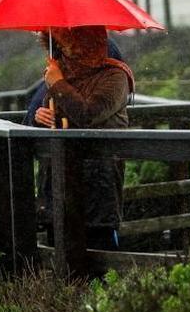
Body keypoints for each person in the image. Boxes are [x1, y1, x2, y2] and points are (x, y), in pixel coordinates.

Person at [31, 26, 134, 251]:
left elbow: (88, 115)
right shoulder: (58, 74)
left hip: (97, 183)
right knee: (58, 254)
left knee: (100, 255)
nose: (67, 53)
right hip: (57, 182)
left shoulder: (114, 77)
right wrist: (41, 117)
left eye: (71, 46)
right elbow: (51, 118)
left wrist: (58, 83)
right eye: (62, 47)